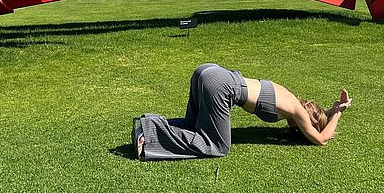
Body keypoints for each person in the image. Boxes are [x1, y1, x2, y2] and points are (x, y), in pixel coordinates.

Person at [131, 63, 352, 160]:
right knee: (218, 146)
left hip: (208, 71)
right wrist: (339, 112)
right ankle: (149, 134)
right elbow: (322, 140)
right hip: (221, 84)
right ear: (310, 121)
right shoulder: (297, 111)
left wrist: (330, 111)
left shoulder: (288, 95)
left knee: (194, 125)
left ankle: (147, 125)